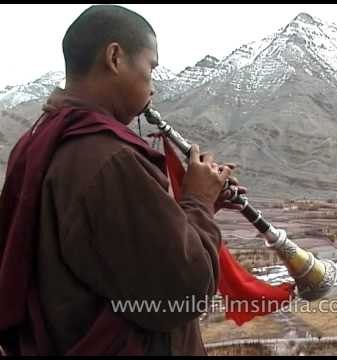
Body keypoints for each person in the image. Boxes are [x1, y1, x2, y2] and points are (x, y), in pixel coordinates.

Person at [0, 4, 247, 356]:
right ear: (115, 58)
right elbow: (183, 291)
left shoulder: (37, 141)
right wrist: (197, 203)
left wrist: (195, 211)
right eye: (151, 67)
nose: (153, 86)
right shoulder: (109, 159)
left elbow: (112, 249)